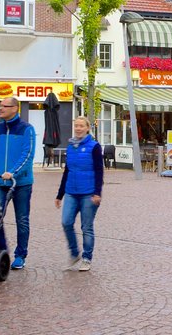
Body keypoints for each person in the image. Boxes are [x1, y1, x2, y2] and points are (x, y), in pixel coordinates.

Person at [0, 97, 36, 270]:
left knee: (22, 219)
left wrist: (12, 172)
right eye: (0, 105)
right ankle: (0, 250)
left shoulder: (27, 129)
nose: (0, 108)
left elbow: (27, 155)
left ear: (15, 108)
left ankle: (20, 255)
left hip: (21, 183)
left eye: (4, 106)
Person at [55, 116, 103, 272]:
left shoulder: (94, 146)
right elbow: (67, 170)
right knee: (66, 222)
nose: (78, 128)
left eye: (81, 126)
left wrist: (97, 192)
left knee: (86, 227)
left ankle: (87, 258)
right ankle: (74, 252)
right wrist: (59, 194)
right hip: (71, 191)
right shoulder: (71, 146)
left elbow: (99, 170)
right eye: (76, 126)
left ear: (88, 128)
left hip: (88, 193)